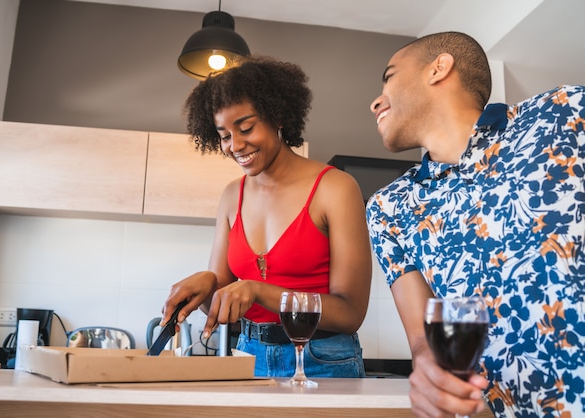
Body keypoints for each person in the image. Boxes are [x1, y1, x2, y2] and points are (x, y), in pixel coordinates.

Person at [366, 31, 585, 417]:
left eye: (389, 77)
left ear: (439, 68)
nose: (375, 101)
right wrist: (427, 371)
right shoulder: (389, 207)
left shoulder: (564, 113)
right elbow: (422, 339)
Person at [161, 56, 372, 378]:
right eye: (224, 135)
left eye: (246, 128)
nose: (235, 145)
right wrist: (207, 285)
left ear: (279, 117)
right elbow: (224, 305)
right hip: (249, 355)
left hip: (322, 359)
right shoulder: (233, 195)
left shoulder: (335, 188)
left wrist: (260, 290)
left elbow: (350, 313)